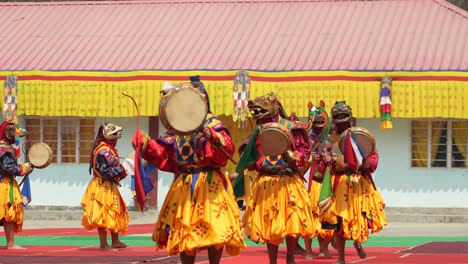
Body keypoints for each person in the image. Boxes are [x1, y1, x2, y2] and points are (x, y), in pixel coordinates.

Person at [132, 76, 245, 264]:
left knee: (215, 228)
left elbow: (226, 151)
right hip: (184, 184)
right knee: (185, 230)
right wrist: (145, 144)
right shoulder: (177, 126)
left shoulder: (213, 123)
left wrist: (214, 137)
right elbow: (165, 157)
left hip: (210, 183)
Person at [234, 93, 316, 264]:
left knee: (292, 220)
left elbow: (304, 151)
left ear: (275, 107)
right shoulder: (259, 130)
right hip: (266, 182)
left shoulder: (292, 127)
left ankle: (290, 257)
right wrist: (258, 163)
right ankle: (272, 261)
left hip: (289, 180)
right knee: (270, 223)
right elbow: (247, 153)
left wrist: (292, 157)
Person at [322, 101, 387, 264]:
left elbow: (372, 158)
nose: (341, 119)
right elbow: (330, 163)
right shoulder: (330, 140)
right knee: (339, 220)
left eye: (344, 115)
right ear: (334, 118)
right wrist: (331, 161)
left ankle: (358, 243)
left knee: (359, 217)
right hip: (340, 182)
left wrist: (363, 162)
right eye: (338, 116)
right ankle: (342, 257)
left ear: (350, 117)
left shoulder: (361, 136)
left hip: (359, 182)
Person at [81, 122, 129, 250]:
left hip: (110, 185)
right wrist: (123, 169)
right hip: (102, 186)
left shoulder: (109, 149)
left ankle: (115, 241)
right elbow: (105, 172)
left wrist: (122, 171)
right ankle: (103, 243)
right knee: (103, 213)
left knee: (114, 212)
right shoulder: (103, 151)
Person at [302, 100, 334, 259]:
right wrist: (309, 158)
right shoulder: (306, 139)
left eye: (322, 122)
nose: (319, 125)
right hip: (311, 183)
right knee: (309, 216)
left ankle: (323, 248)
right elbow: (299, 159)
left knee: (327, 217)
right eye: (316, 122)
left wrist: (330, 160)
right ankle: (308, 250)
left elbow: (336, 160)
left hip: (326, 184)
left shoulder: (329, 141)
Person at [0, 120, 33, 249]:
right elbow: (7, 167)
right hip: (4, 183)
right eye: (13, 131)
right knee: (9, 213)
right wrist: (22, 168)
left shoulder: (6, 147)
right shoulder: (3, 148)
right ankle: (10, 243)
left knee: (8, 213)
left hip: (6, 182)